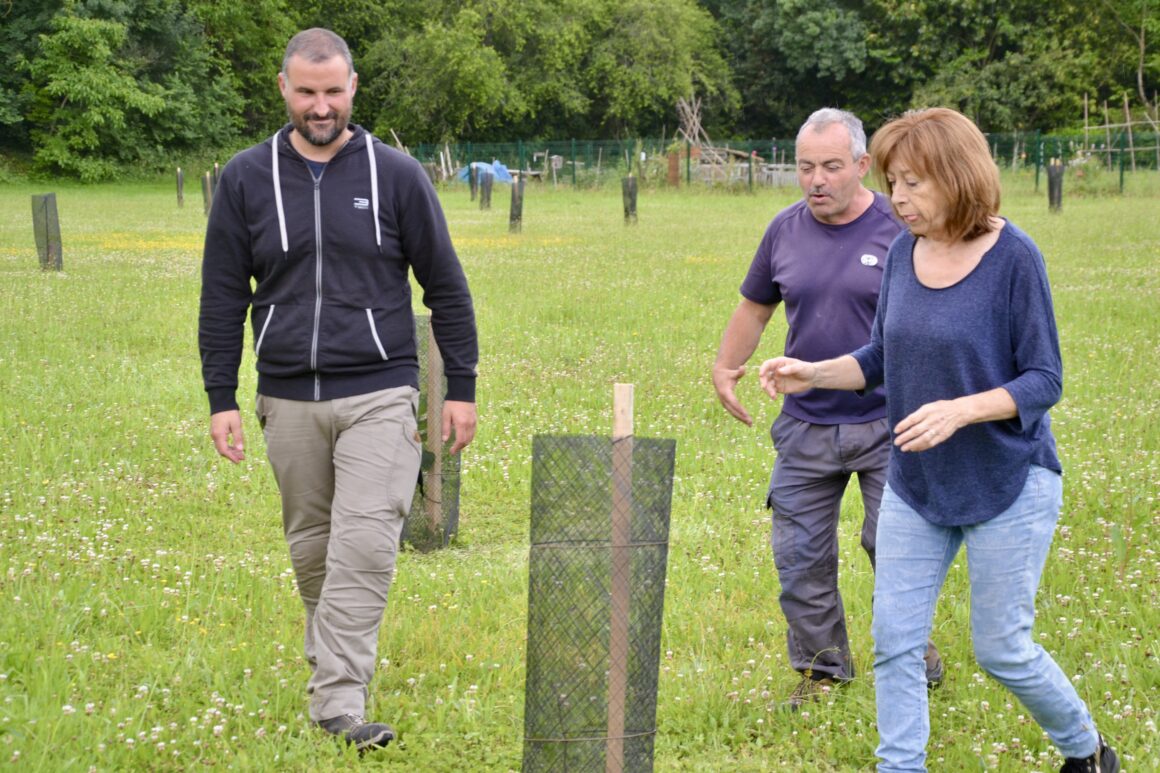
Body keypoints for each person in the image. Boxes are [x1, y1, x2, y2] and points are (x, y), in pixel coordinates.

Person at [758, 107, 1119, 772]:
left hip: (1007, 478)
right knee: (895, 642)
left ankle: (1087, 749)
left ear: (958, 178)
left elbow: (1045, 378)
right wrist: (812, 371)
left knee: (1001, 648)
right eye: (894, 182)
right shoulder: (903, 251)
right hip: (919, 483)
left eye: (915, 183)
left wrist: (960, 410)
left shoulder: (1015, 258)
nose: (898, 197)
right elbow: (878, 359)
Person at [198, 28, 478, 752]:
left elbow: (446, 286)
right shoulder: (244, 178)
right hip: (286, 395)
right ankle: (334, 665)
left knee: (366, 543)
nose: (320, 106)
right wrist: (220, 397)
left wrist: (463, 386)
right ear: (284, 90)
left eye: (332, 91)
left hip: (381, 390)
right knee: (314, 551)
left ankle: (337, 704)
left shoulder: (398, 175)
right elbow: (223, 295)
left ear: (353, 87)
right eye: (306, 92)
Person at [712, 108, 942, 709]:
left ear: (863, 166)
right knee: (799, 554)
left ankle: (913, 651)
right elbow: (754, 307)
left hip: (892, 422)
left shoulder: (904, 226)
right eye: (806, 167)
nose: (816, 179)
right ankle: (821, 669)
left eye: (832, 166)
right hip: (806, 423)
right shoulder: (783, 231)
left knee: (892, 543)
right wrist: (724, 366)